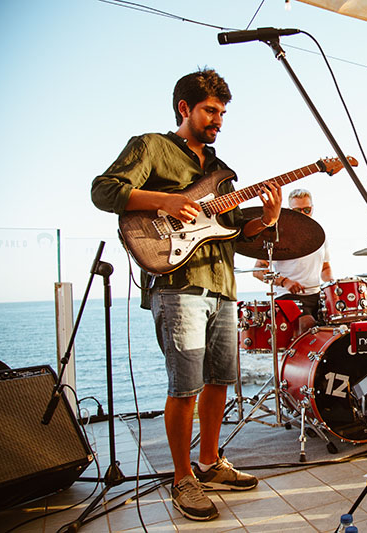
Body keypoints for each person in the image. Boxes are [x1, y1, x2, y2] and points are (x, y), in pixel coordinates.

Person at [91, 68, 282, 521]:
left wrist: (266, 221)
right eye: (211, 111)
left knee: (219, 380)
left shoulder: (220, 171)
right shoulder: (151, 147)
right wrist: (165, 201)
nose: (219, 120)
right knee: (185, 386)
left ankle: (210, 463)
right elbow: (104, 190)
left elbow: (231, 231)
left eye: (223, 113)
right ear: (185, 108)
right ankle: (182, 479)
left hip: (223, 286)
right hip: (177, 286)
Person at [253, 188, 333, 334]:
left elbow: (325, 268)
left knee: (337, 325)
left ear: (312, 209)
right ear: (290, 211)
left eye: (307, 210)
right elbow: (258, 271)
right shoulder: (277, 235)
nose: (303, 214)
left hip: (316, 296)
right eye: (297, 211)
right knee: (307, 324)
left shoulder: (320, 235)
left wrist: (332, 285)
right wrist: (285, 282)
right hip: (287, 297)